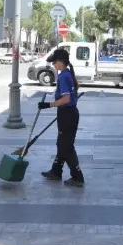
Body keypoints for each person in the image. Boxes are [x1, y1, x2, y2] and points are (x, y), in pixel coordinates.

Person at [39, 49, 84, 186]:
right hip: (68, 113)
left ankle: (77, 176)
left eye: (54, 62)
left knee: (66, 146)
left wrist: (49, 105)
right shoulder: (66, 74)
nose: (53, 64)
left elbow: (66, 98)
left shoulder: (64, 76)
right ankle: (56, 171)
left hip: (68, 114)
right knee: (62, 144)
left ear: (60, 62)